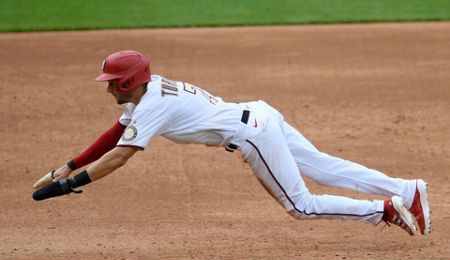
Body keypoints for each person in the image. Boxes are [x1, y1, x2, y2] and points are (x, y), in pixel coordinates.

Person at [33, 50, 431, 236]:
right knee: (323, 166)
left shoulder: (151, 104)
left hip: (252, 134)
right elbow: (116, 133)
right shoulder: (149, 90)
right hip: (260, 114)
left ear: (125, 83)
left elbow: (120, 155)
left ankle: (385, 210)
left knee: (300, 206)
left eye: (109, 84)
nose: (106, 90)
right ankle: (406, 190)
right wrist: (69, 166)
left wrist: (70, 185)